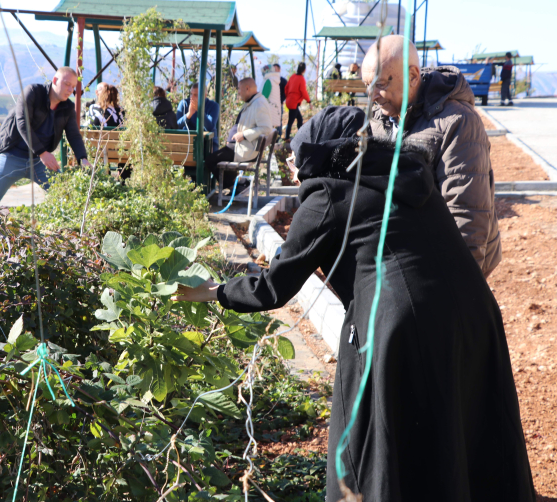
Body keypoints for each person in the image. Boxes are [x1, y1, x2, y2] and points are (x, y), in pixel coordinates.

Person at [175, 106, 536, 502]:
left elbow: (274, 287)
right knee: (459, 431)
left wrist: (211, 290)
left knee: (382, 445)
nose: (293, 165)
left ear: (319, 150)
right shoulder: (409, 173)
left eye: (297, 154)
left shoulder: (328, 193)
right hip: (474, 312)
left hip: (403, 325)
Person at [362, 35, 501, 276]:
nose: (372, 95)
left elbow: (466, 217)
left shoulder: (457, 123)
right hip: (408, 261)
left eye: (381, 84)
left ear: (413, 76)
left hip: (443, 268)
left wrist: (459, 292)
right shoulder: (381, 116)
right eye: (367, 85)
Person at [0, 67, 91, 204]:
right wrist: (42, 153)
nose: (70, 90)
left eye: (73, 87)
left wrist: (83, 158)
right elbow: (22, 123)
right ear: (55, 80)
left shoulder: (68, 108)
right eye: (67, 84)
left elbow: (74, 135)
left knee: (64, 198)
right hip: (11, 156)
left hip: (39, 163)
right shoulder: (33, 92)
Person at [204, 77, 274, 189]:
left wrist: (244, 135)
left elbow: (266, 128)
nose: (238, 93)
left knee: (210, 160)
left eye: (239, 89)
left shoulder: (258, 104)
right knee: (219, 156)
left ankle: (233, 186)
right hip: (243, 147)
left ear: (247, 88)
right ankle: (235, 183)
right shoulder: (253, 101)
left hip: (246, 150)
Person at [176, 82, 221, 151]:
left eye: (196, 95)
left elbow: (210, 127)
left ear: (204, 96)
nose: (192, 97)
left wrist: (199, 110)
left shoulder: (213, 106)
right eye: (191, 94)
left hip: (208, 143)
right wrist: (189, 114)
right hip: (188, 142)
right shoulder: (184, 104)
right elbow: (177, 126)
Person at [283, 62, 311, 141]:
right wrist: (309, 100)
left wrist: (287, 96)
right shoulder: (301, 79)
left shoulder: (293, 76)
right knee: (291, 121)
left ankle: (301, 135)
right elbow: (303, 91)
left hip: (290, 101)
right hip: (293, 102)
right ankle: (287, 137)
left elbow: (286, 87)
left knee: (299, 119)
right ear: (304, 70)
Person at [260, 65, 283, 134]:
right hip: (274, 110)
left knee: (266, 133)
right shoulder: (275, 80)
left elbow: (264, 97)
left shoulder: (268, 81)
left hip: (268, 111)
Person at [273, 63, 288, 134]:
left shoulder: (283, 81)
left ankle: (278, 136)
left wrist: (281, 102)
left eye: (276, 69)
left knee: (278, 121)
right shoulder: (270, 81)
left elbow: (286, 93)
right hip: (271, 104)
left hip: (279, 104)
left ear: (279, 70)